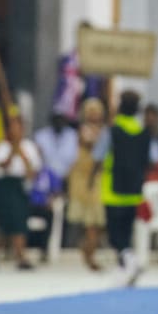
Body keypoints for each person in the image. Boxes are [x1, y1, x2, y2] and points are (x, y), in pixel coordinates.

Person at [93, 90, 158, 286]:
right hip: (134, 191)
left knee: (115, 235)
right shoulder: (144, 132)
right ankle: (125, 270)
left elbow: (98, 156)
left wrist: (91, 179)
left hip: (113, 190)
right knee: (127, 231)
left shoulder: (112, 131)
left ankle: (130, 261)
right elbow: (154, 158)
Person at [0, 112, 42, 270]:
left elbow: (32, 172)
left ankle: (20, 256)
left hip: (20, 186)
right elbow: (1, 166)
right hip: (4, 186)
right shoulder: (0, 147)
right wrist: (13, 150)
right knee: (5, 223)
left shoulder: (29, 147)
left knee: (19, 221)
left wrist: (22, 154)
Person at [32, 112, 79, 261]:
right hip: (43, 179)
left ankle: (61, 246)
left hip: (66, 179)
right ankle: (39, 246)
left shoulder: (72, 136)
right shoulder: (41, 136)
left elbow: (75, 159)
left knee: (64, 213)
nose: (59, 122)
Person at [66, 98, 106, 270]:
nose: (94, 114)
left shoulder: (105, 131)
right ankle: (90, 256)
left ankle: (88, 249)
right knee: (90, 220)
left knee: (99, 220)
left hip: (99, 177)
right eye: (90, 111)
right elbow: (93, 146)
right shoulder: (83, 131)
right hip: (84, 177)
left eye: (97, 110)